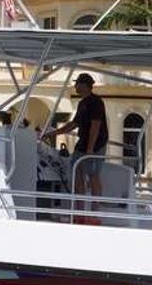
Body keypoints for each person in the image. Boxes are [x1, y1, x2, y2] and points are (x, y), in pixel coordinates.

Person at [41, 73, 108, 221]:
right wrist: (54, 133)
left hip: (95, 145)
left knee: (93, 175)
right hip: (82, 144)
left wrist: (90, 149)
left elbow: (96, 126)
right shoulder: (82, 103)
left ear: (84, 85)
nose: (75, 86)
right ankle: (80, 213)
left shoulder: (96, 102)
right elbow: (74, 124)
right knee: (77, 173)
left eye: (77, 83)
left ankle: (94, 214)